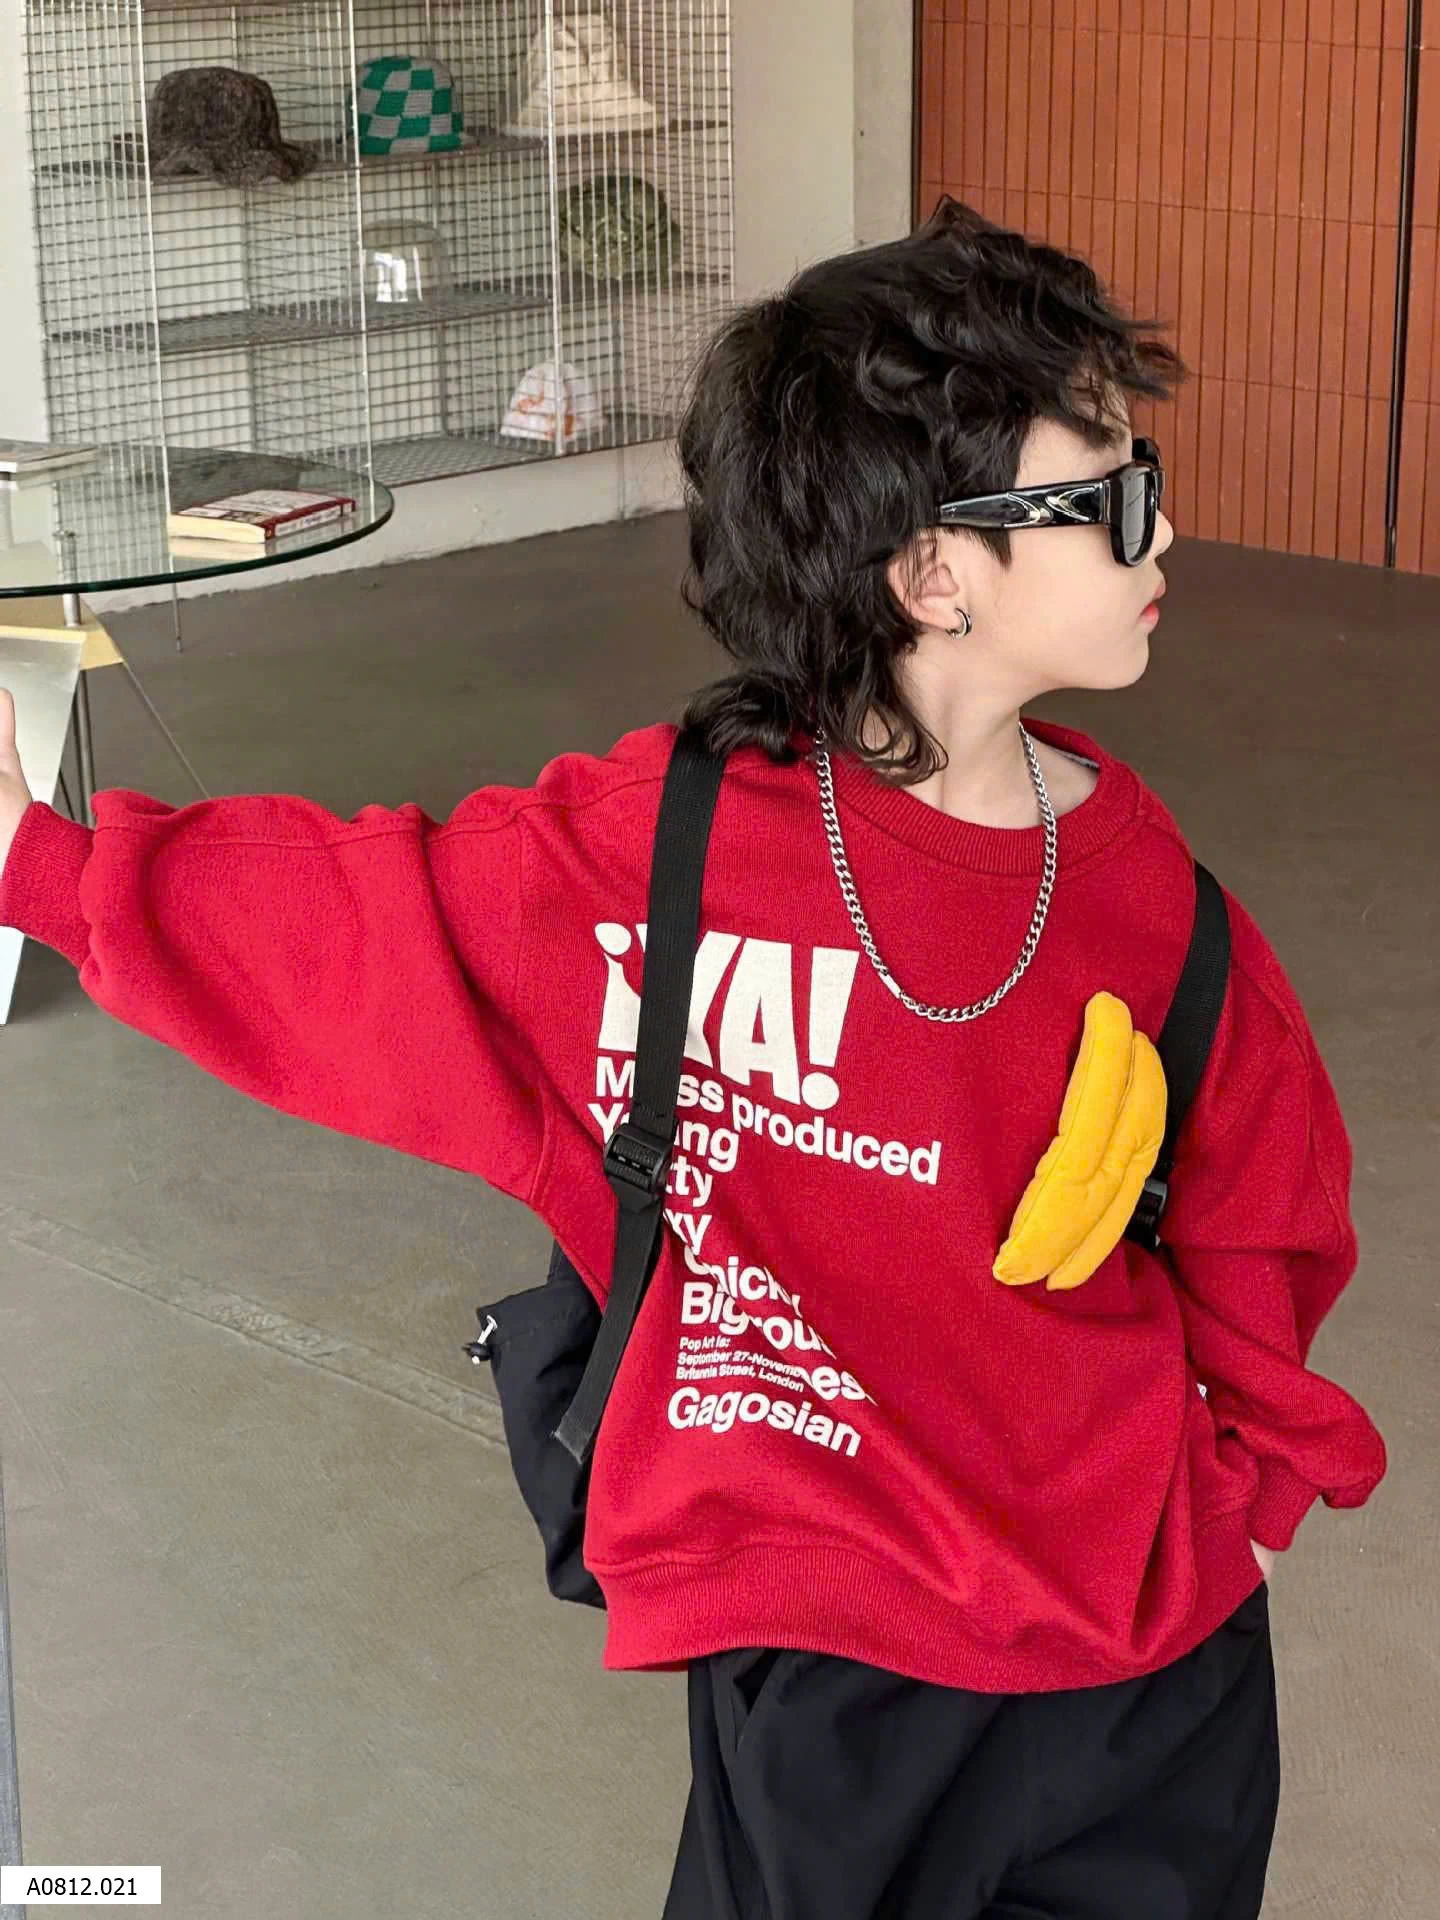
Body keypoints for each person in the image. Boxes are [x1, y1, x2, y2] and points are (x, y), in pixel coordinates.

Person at [0, 199, 1387, 1918]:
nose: (1162, 528)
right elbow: (352, 926)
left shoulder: (1154, 903)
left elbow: (1267, 1221)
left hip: (1149, 1681)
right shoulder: (646, 858)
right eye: (1107, 498)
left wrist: (1246, 1503)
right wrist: (43, 862)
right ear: (934, 575)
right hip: (828, 1668)